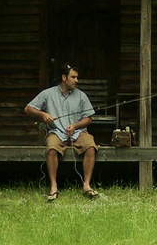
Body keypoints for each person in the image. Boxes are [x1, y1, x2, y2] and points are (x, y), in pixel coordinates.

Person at [24, 63, 100, 201]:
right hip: (56, 131)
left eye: (77, 77)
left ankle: (87, 185)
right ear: (64, 77)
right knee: (51, 148)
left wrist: (75, 126)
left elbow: (88, 119)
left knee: (90, 146)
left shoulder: (81, 95)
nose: (77, 80)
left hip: (77, 133)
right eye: (73, 77)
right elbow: (28, 109)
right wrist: (43, 115)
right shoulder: (48, 94)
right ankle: (53, 186)